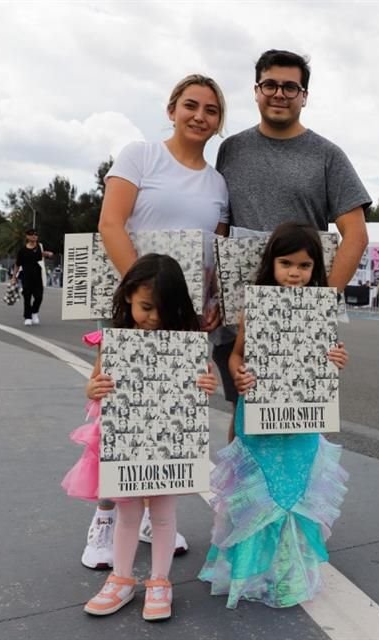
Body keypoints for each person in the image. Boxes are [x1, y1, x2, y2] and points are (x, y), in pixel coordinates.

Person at [83, 74, 230, 571]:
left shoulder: (218, 184)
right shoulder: (140, 156)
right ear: (171, 110)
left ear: (218, 121)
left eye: (211, 110)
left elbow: (215, 253)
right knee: (119, 416)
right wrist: (142, 293)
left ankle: (152, 516)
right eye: (191, 105)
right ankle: (105, 519)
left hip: (183, 321)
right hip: (137, 309)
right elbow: (111, 224)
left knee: (167, 416)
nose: (200, 116)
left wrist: (211, 301)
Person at [211, 49, 370, 443]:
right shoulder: (231, 149)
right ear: (256, 90)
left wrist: (320, 304)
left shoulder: (328, 156)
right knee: (243, 409)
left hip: (301, 309)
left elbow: (356, 234)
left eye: (290, 87)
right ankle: (242, 486)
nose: (279, 94)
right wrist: (212, 292)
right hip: (242, 306)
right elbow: (221, 226)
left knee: (294, 418)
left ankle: (293, 486)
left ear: (304, 96)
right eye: (270, 85)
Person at [199, 222, 349, 609]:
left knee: (296, 488)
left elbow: (329, 357)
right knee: (259, 489)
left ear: (315, 268)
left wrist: (336, 358)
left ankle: (290, 572)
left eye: (304, 265)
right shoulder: (255, 307)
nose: (295, 273)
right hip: (259, 415)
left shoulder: (320, 309)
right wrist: (238, 374)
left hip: (301, 420)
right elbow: (236, 355)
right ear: (272, 264)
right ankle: (251, 572)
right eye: (286, 264)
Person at [62, 254, 219, 621]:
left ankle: (159, 581)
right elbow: (94, 383)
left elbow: (204, 381)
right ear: (129, 294)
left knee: (163, 514)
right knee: (128, 512)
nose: (154, 317)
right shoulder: (113, 342)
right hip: (125, 440)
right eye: (146, 307)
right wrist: (93, 388)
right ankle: (120, 578)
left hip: (168, 442)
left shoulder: (186, 344)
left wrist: (206, 384)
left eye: (163, 309)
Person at [12, 228, 53, 326]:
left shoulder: (40, 247)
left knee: (39, 297)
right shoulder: (22, 250)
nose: (34, 236)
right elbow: (17, 264)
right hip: (26, 277)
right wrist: (14, 277)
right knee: (27, 298)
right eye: (31, 234)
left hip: (38, 277)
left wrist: (48, 254)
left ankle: (34, 312)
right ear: (27, 236)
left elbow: (43, 254)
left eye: (35, 234)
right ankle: (28, 317)